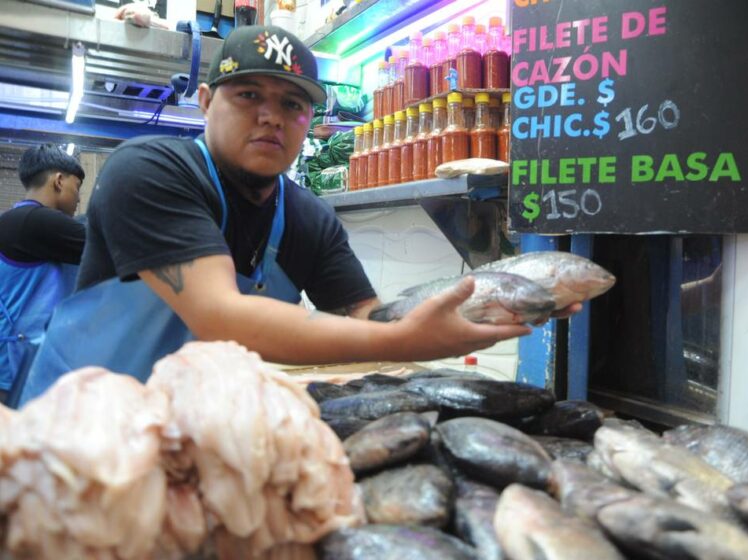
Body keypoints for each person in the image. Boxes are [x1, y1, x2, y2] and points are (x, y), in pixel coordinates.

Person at [16, 26, 578, 407]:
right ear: (207, 102)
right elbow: (221, 316)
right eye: (248, 95)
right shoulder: (148, 169)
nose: (271, 117)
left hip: (202, 431)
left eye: (292, 104)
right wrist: (410, 343)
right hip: (82, 428)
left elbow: (370, 318)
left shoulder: (306, 216)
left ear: (309, 118)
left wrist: (489, 306)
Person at [0, 144, 85, 404]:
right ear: (59, 181)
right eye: (77, 187)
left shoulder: (15, 219)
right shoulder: (37, 222)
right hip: (14, 364)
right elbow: (112, 248)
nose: (79, 199)